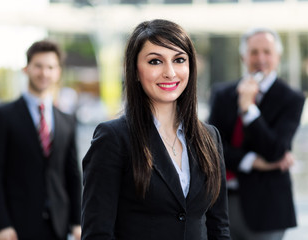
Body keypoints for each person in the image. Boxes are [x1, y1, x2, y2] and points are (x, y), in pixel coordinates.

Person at [81, 19, 231, 240]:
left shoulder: (209, 137)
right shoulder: (113, 138)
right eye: (155, 61)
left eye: (179, 60)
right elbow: (97, 233)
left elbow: (220, 228)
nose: (170, 72)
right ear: (133, 70)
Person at [208, 27, 305, 240]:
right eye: (254, 52)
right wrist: (251, 161)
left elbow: (276, 151)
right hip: (222, 202)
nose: (260, 58)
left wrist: (248, 110)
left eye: (267, 52)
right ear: (243, 57)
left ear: (278, 57)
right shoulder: (222, 94)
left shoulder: (292, 98)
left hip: (267, 208)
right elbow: (211, 147)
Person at [0, 40, 82, 240]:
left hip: (58, 225)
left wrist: (77, 221)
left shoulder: (67, 119)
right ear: (26, 69)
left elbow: (72, 174)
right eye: (38, 66)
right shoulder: (2, 115)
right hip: (16, 225)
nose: (44, 73)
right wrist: (0, 224)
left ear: (58, 72)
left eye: (50, 67)